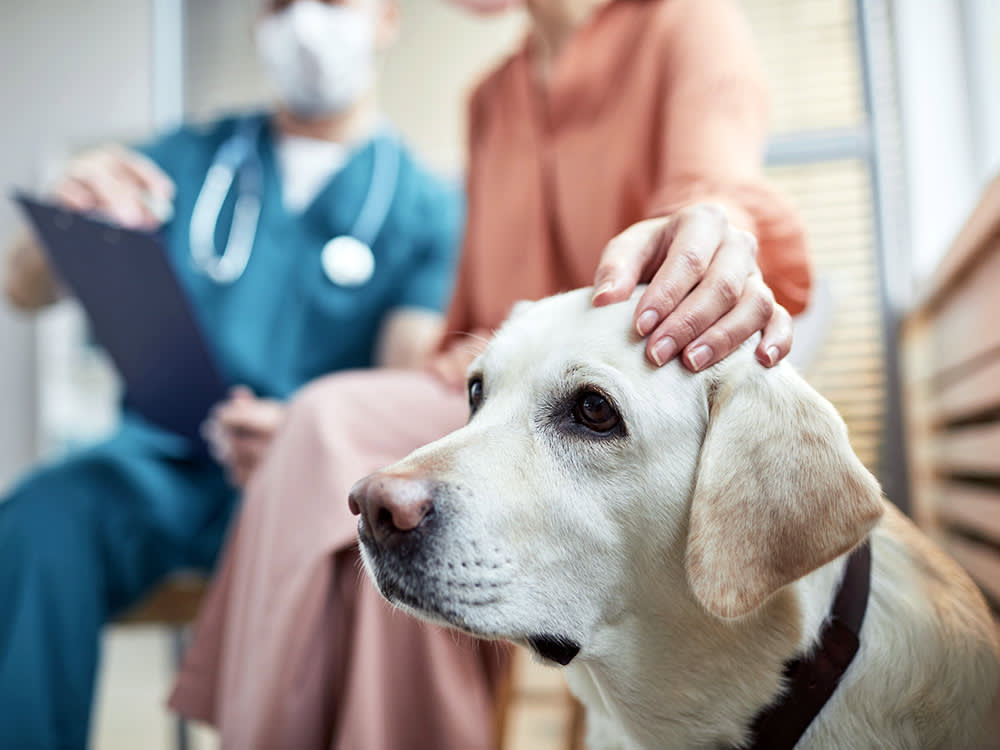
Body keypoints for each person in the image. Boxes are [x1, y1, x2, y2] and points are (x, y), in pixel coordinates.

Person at [168, 0, 813, 748]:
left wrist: (712, 230)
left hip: (619, 411)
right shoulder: (490, 99)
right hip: (491, 400)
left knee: (329, 427)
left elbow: (715, 189)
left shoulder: (683, 22)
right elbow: (471, 333)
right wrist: (341, 427)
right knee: (341, 465)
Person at [0, 2, 464, 748]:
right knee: (38, 521)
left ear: (386, 16)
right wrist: (65, 213)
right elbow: (22, 289)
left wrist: (303, 436)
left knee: (366, 580)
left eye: (332, 2)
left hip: (309, 486)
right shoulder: (189, 160)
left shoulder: (427, 207)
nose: (304, 22)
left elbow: (401, 375)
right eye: (279, 2)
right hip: (159, 469)